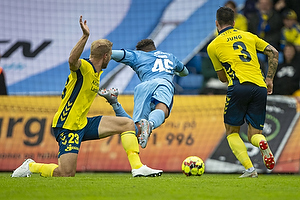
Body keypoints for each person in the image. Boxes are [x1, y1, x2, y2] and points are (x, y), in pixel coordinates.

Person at [11, 16, 162, 178]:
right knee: (65, 173)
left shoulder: (97, 72)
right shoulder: (84, 67)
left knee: (127, 124)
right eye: (110, 56)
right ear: (105, 56)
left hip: (83, 122)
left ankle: (138, 168)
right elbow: (72, 61)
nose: (111, 58)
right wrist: (85, 37)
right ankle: (31, 166)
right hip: (68, 126)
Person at [207, 7, 278, 178]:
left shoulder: (213, 45)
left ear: (217, 23)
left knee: (232, 132)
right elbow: (274, 53)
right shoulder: (248, 36)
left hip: (239, 86)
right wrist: (269, 79)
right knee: (255, 133)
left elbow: (223, 79)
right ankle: (262, 143)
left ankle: (249, 169)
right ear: (234, 22)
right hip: (260, 86)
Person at [99, 39, 189, 149]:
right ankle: (150, 124)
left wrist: (101, 56)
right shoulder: (170, 57)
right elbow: (185, 72)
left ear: (141, 50)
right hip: (163, 83)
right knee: (162, 110)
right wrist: (174, 71)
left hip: (143, 88)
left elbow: (113, 54)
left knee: (136, 130)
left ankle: (114, 102)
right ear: (153, 47)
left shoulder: (137, 55)